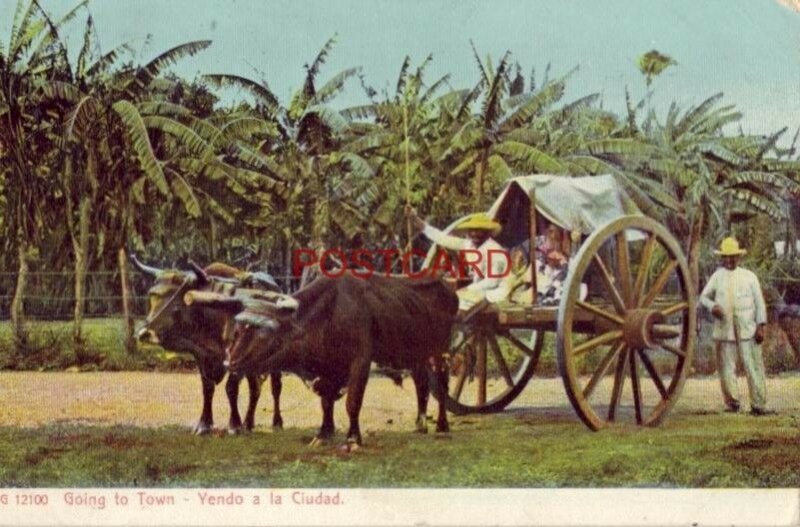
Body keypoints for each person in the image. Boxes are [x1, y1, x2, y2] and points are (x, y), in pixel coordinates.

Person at [699, 237, 773, 416]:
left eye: (733, 257)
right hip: (725, 328)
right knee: (726, 367)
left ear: (739, 257)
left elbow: (760, 303)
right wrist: (712, 307)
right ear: (722, 258)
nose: (730, 260)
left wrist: (761, 326)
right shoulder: (717, 277)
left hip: (748, 328)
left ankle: (758, 403)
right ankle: (732, 403)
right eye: (726, 257)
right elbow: (703, 297)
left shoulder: (749, 277)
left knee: (753, 365)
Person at [405, 205, 508, 312]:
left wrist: (468, 289)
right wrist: (416, 219)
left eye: (479, 231)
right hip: (479, 289)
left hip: (496, 291)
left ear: (487, 232)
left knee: (457, 303)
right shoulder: (469, 245)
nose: (474, 234)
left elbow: (492, 282)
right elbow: (442, 239)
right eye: (472, 230)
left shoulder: (496, 251)